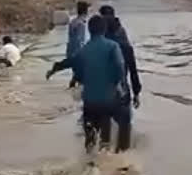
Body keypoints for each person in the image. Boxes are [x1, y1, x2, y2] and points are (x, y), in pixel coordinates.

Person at [46, 14, 136, 153]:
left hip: (90, 103)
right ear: (104, 29)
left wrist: (54, 69)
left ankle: (89, 160)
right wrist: (118, 84)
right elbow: (119, 65)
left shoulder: (83, 50)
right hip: (110, 100)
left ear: (89, 30)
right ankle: (122, 160)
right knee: (124, 122)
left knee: (91, 137)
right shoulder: (112, 46)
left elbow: (69, 62)